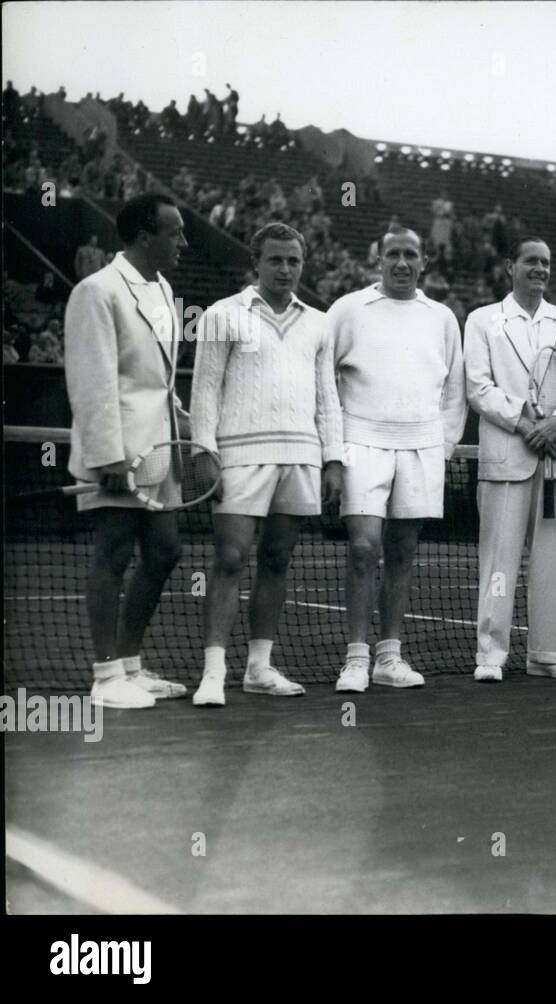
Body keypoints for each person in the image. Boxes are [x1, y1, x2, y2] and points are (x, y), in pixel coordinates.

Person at [189, 223, 344, 706]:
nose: (285, 269)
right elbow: (205, 388)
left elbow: (327, 398)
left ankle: (259, 667)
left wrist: (333, 458)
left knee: (277, 559)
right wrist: (203, 450)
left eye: (293, 261)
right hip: (239, 455)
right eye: (275, 260)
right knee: (231, 558)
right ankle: (214, 672)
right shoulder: (221, 314)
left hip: (300, 454)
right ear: (255, 262)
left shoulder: (319, 323)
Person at [63, 193, 190, 708]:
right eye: (174, 232)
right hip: (117, 452)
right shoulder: (97, 291)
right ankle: (105, 676)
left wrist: (180, 420)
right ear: (144, 236)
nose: (183, 241)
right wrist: (107, 454)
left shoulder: (163, 288)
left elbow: (158, 378)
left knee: (165, 550)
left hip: (159, 449)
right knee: (113, 553)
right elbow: (92, 379)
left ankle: (131, 666)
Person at [329, 225, 467, 692]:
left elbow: (455, 392)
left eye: (411, 254)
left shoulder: (443, 317)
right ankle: (354, 659)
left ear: (424, 262)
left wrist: (442, 447)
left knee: (403, 552)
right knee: (364, 546)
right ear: (379, 259)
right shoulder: (347, 310)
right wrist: (333, 445)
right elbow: (322, 379)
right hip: (360, 440)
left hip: (421, 445)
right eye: (393, 254)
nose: (402, 263)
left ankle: (389, 658)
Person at [463, 237, 556, 682]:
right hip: (507, 456)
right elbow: (478, 388)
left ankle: (544, 654)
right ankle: (491, 655)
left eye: (546, 262)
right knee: (499, 560)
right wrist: (525, 424)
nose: (540, 268)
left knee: (551, 560)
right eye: (531, 262)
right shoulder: (484, 320)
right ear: (510, 267)